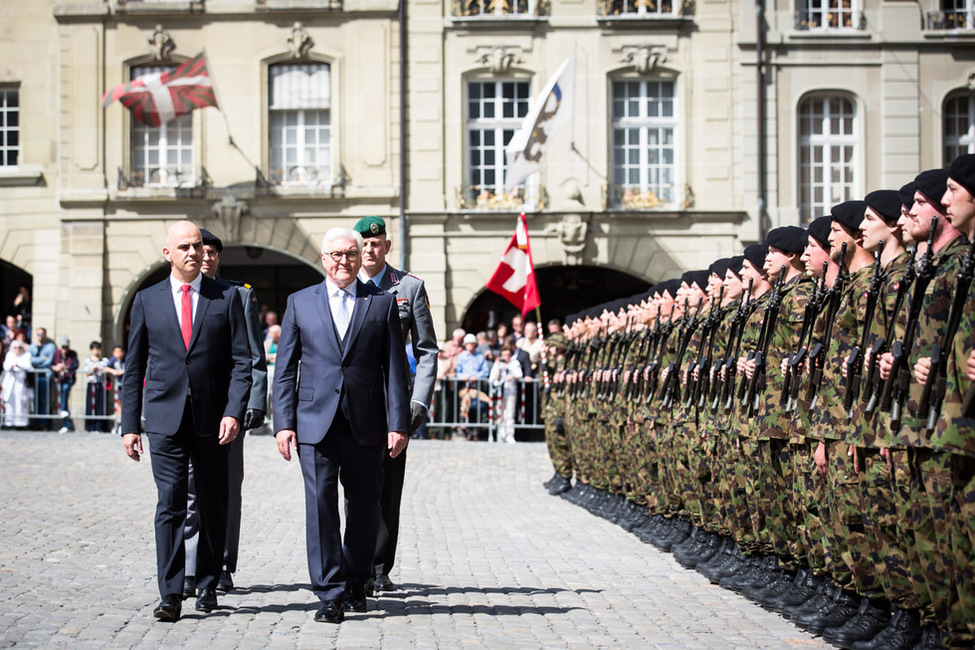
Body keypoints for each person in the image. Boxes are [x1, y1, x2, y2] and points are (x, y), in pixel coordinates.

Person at [272, 227, 411, 624]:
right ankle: (329, 592)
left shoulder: (381, 304)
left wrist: (398, 423)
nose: (343, 261)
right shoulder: (300, 303)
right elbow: (285, 371)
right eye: (335, 255)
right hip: (315, 423)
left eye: (350, 254)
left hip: (366, 423)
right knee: (320, 508)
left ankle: (356, 581)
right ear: (323, 259)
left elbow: (395, 372)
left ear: (359, 257)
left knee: (365, 507)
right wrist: (283, 423)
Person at [121, 220, 251, 623]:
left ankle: (209, 583)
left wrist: (234, 411)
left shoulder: (226, 297)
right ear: (168, 254)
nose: (193, 253)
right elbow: (134, 366)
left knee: (213, 502)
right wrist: (129, 425)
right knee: (170, 504)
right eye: (184, 247)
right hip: (163, 417)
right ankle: (170, 593)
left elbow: (242, 362)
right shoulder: (147, 300)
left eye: (197, 246)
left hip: (213, 419)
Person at [353, 216, 439, 593]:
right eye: (364, 244)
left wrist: (418, 401)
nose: (369, 250)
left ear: (387, 247)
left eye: (376, 244)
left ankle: (379, 564)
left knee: (388, 486)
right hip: (352, 401)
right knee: (354, 485)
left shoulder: (407, 287)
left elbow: (427, 350)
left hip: (392, 403)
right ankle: (355, 558)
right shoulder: (343, 285)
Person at [183, 228, 269, 597]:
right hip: (186, 410)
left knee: (226, 490)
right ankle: (189, 567)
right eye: (202, 250)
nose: (207, 256)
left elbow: (253, 356)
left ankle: (220, 563)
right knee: (188, 491)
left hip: (227, 411)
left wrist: (253, 403)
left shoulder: (238, 295)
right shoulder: (173, 295)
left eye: (213, 251)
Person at [490, 344, 523, 443]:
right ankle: (501, 433)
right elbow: (493, 378)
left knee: (510, 413)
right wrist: (499, 367)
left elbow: (519, 374)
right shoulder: (498, 364)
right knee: (500, 413)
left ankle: (509, 435)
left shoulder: (514, 363)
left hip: (510, 391)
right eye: (504, 355)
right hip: (499, 392)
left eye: (508, 354)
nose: (506, 357)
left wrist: (512, 376)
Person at [28, 327, 55, 429]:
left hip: (45, 376)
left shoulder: (50, 346)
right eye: (38, 334)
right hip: (35, 376)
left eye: (42, 334)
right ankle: (36, 422)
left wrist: (37, 362)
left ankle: (44, 423)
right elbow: (29, 359)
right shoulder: (33, 347)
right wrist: (43, 358)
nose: (40, 336)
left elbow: (50, 361)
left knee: (44, 400)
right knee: (36, 400)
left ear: (45, 335)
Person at [2, 338, 32, 429]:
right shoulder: (9, 355)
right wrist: (14, 365)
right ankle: (9, 422)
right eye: (15, 347)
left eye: (19, 347)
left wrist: (17, 365)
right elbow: (6, 366)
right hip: (10, 382)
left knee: (21, 401)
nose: (17, 349)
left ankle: (21, 422)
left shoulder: (26, 355)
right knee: (10, 402)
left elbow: (28, 366)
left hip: (21, 382)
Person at [52, 337, 79, 433]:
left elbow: (75, 365)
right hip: (58, 378)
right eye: (63, 347)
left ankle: (65, 417)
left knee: (64, 394)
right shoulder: (56, 353)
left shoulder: (72, 354)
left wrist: (65, 367)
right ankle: (66, 422)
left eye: (66, 347)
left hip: (68, 378)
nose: (64, 349)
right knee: (62, 398)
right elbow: (50, 364)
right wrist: (55, 367)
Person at [83, 341, 110, 432]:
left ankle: (99, 426)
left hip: (100, 384)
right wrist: (92, 370)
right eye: (94, 348)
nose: (96, 350)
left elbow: (107, 371)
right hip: (92, 383)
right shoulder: (88, 360)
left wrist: (100, 370)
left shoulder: (104, 360)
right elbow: (86, 373)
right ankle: (91, 426)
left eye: (97, 348)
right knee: (91, 404)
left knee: (100, 404)